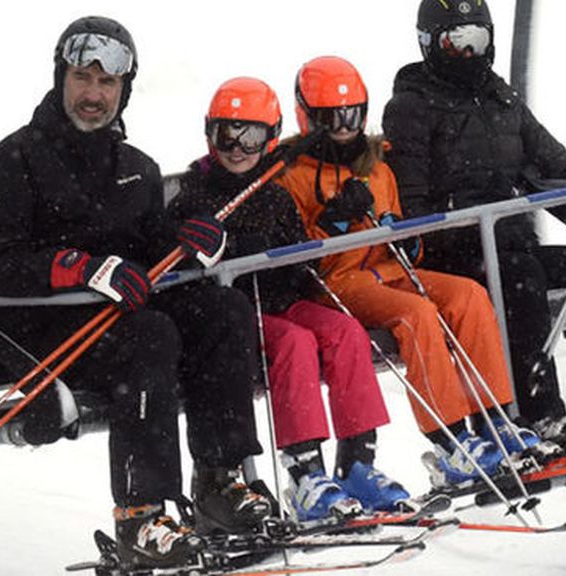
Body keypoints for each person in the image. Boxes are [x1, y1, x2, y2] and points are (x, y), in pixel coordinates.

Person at [0, 16, 271, 569]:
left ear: (124, 89)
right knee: (151, 333)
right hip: (48, 330)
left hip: (120, 319)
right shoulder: (13, 162)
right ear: (61, 78)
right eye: (83, 78)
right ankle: (140, 515)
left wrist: (194, 235)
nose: (94, 95)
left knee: (222, 309)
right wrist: (79, 268)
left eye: (107, 84)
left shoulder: (135, 168)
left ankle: (219, 481)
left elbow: (153, 244)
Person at [382, 0, 566, 451]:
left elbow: (551, 163)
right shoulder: (411, 108)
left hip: (511, 244)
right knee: (520, 278)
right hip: (456, 257)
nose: (469, 54)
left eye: (478, 40)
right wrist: (457, 230)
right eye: (456, 42)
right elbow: (409, 201)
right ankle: (538, 416)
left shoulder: (500, 98)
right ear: (430, 44)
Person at [275, 55, 553, 490]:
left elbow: (404, 225)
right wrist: (335, 220)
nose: (345, 126)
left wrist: (409, 241)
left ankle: (495, 418)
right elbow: (295, 250)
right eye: (331, 117)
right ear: (308, 118)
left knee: (467, 296)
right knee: (416, 314)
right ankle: (450, 437)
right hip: (341, 282)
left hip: (389, 269)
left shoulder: (377, 166)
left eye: (352, 114)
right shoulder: (292, 175)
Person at [168, 76, 411, 522]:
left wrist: (300, 248)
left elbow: (304, 263)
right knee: (296, 343)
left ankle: (358, 461)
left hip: (283, 299)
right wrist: (228, 250)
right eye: (227, 133)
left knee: (345, 331)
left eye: (252, 135)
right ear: (209, 132)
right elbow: (184, 268)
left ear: (272, 137)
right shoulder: (195, 195)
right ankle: (305, 473)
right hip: (240, 315)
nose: (238, 147)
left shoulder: (274, 193)